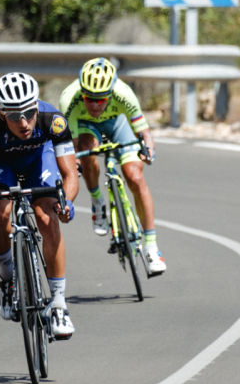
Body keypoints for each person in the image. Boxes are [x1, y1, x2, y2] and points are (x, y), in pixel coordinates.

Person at [0, 72, 80, 340]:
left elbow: (70, 175)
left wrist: (67, 202)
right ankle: (7, 276)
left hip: (40, 160)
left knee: (46, 217)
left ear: (36, 106)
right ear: (2, 115)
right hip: (2, 163)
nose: (24, 123)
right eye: (14, 116)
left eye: (28, 113)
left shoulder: (53, 120)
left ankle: (59, 304)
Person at [58, 57, 166, 275]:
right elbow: (72, 146)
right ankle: (97, 202)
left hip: (117, 124)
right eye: (89, 99)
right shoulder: (69, 99)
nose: (95, 105)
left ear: (110, 94)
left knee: (134, 176)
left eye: (101, 100)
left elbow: (144, 133)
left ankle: (151, 247)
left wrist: (148, 150)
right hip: (86, 127)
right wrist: (75, 164)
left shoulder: (123, 93)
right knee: (87, 149)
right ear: (82, 93)